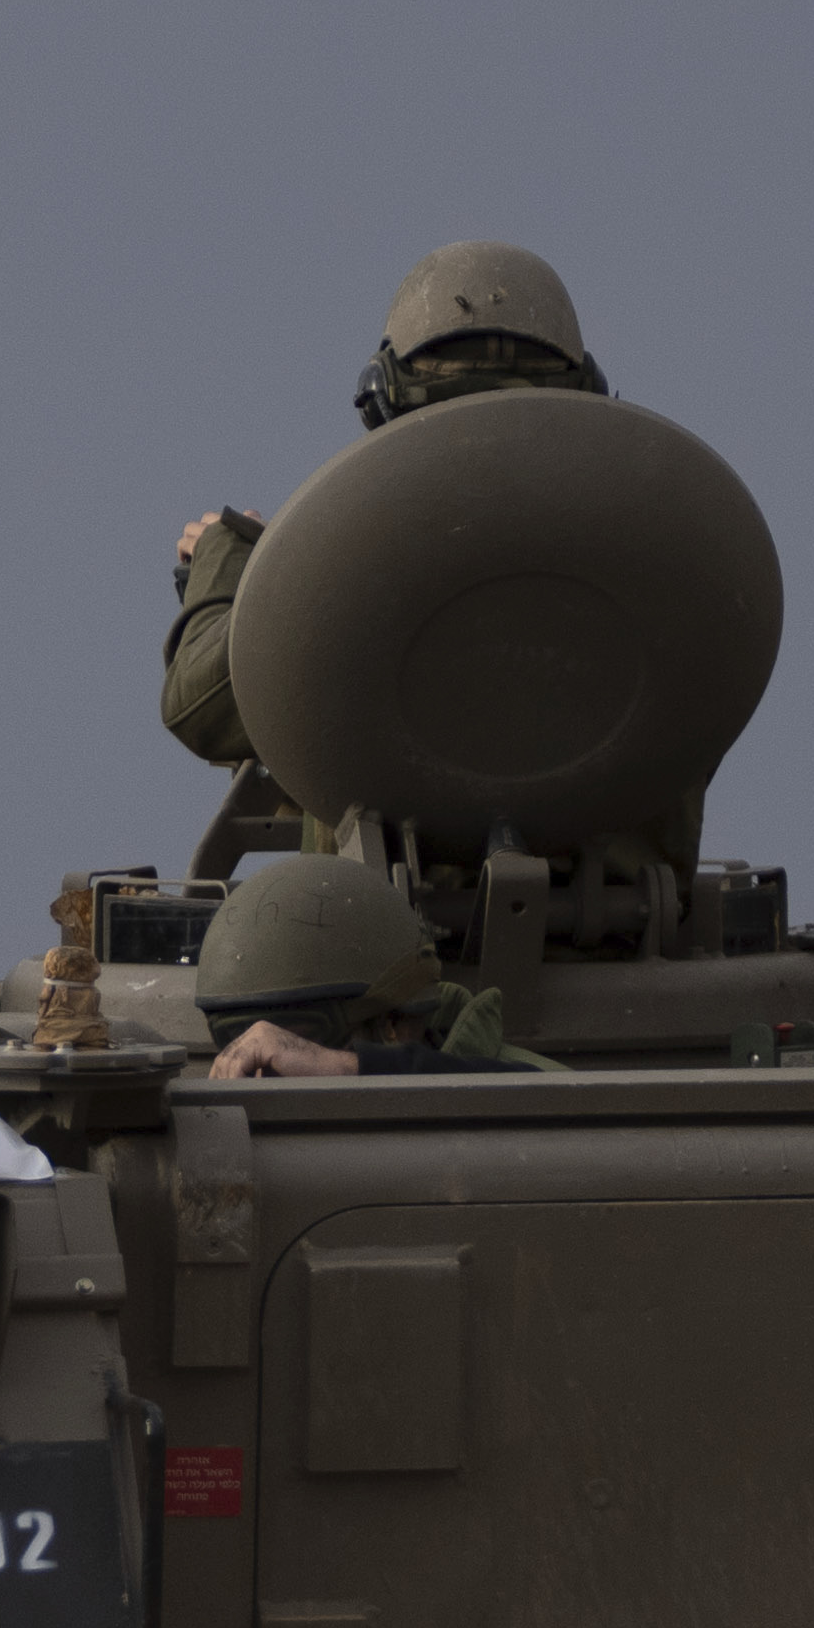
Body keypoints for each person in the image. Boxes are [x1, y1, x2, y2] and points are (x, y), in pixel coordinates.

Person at [164, 241, 606, 858]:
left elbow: (203, 710)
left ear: (383, 396)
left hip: (387, 937)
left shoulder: (350, 576)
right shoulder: (656, 559)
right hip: (627, 928)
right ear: (589, 391)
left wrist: (229, 570)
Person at [178, 846, 547, 1082]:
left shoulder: (525, 1090)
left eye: (300, 1040)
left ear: (392, 1027)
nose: (258, 1076)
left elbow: (549, 1099)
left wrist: (346, 1066)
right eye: (235, 1040)